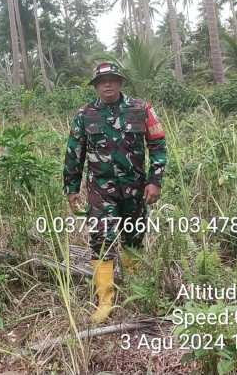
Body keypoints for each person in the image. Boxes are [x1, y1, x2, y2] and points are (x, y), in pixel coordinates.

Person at [63, 62, 167, 324]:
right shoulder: (84, 114)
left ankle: (134, 289)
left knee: (134, 238)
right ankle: (105, 300)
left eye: (112, 79)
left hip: (135, 189)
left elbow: (157, 144)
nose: (107, 85)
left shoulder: (141, 109)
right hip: (101, 190)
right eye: (102, 81)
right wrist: (72, 188)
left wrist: (155, 181)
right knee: (101, 238)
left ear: (121, 82)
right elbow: (74, 152)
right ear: (96, 86)